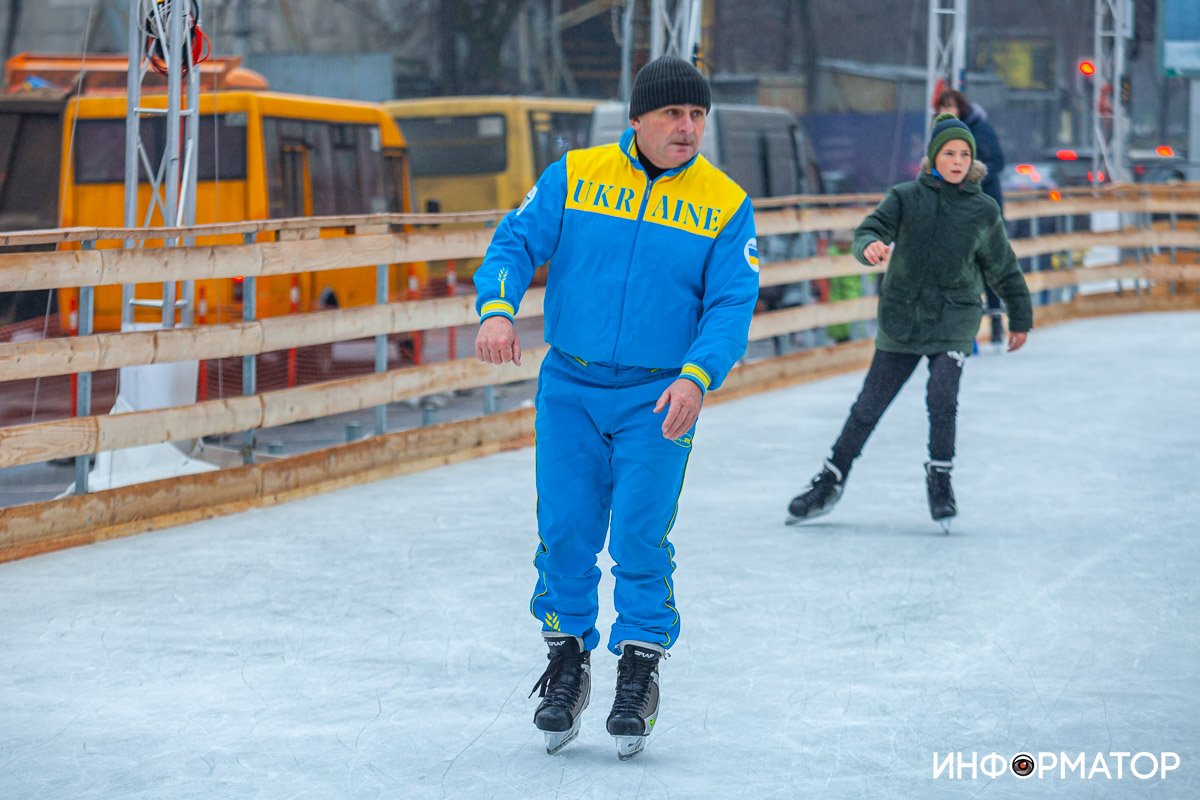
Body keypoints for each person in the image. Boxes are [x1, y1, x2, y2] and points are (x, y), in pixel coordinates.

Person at [473, 55, 759, 760]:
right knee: (566, 530)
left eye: (696, 115)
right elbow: (514, 241)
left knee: (637, 535)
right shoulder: (576, 175)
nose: (687, 127)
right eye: (672, 114)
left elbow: (731, 302)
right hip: (569, 385)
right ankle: (567, 663)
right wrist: (498, 308)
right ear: (638, 120)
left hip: (659, 394)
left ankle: (638, 670)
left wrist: (698, 375)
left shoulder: (725, 202)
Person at [785, 113, 1032, 532]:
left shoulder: (982, 210)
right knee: (868, 406)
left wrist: (1019, 316)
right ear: (934, 158)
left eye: (964, 154)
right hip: (903, 318)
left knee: (942, 396)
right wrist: (871, 248)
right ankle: (831, 478)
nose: (956, 160)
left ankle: (940, 480)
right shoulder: (905, 197)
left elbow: (1003, 268)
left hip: (953, 317)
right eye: (949, 153)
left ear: (972, 161)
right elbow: (869, 231)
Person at [936, 89, 1009, 350]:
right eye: (943, 106)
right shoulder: (941, 136)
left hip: (983, 206)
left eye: (952, 105)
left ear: (961, 108)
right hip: (955, 209)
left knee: (987, 264)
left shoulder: (979, 129)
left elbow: (998, 161)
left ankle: (996, 322)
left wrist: (973, 180)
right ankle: (962, 327)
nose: (948, 110)